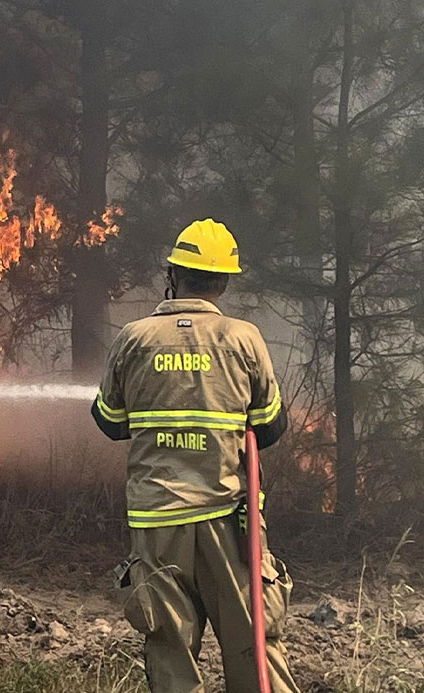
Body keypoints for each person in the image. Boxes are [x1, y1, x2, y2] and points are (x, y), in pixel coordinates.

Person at [91, 218, 302, 693]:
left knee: (169, 647)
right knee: (253, 642)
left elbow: (109, 421)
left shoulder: (134, 338)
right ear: (223, 282)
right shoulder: (242, 338)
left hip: (157, 521)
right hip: (227, 519)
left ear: (173, 274)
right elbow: (270, 426)